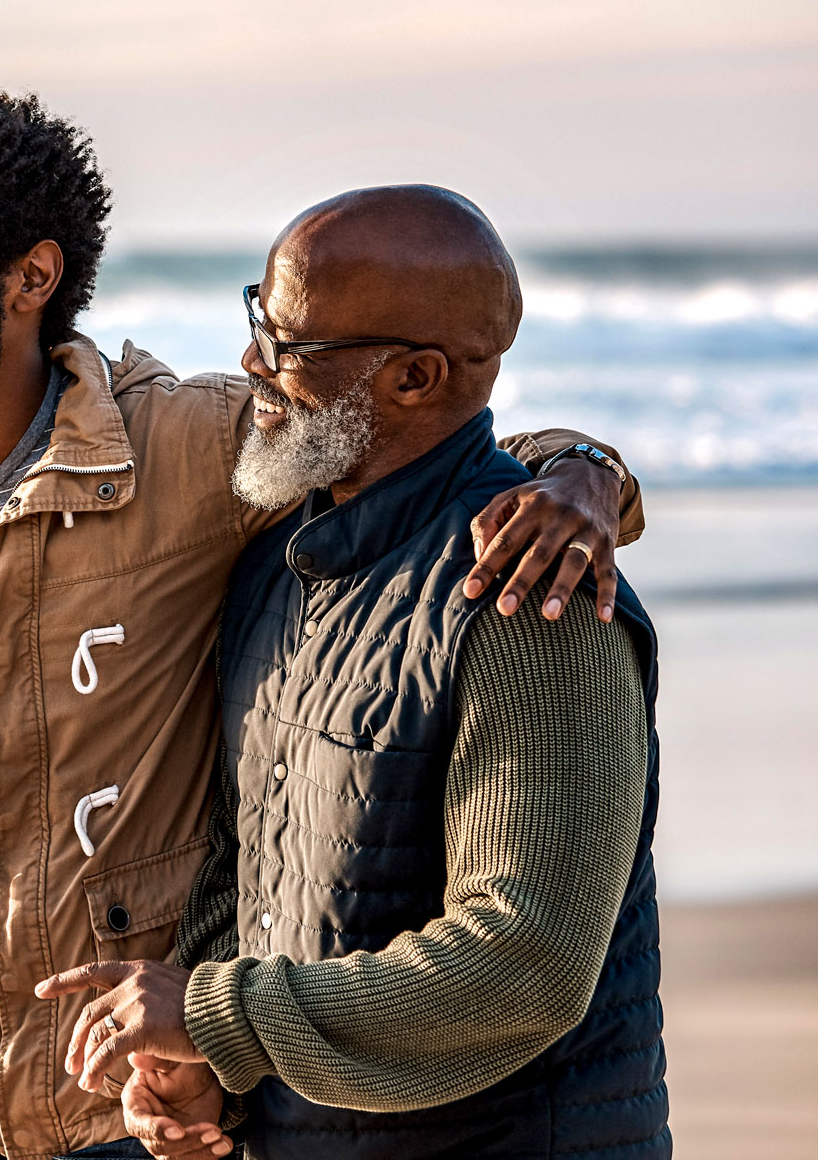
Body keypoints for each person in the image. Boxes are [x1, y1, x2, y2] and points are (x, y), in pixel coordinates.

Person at [0, 88, 644, 1160]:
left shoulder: (194, 455)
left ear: (30, 277)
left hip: (128, 1099)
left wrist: (584, 475)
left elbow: (430, 449)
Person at [37, 185, 667, 1159]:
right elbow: (240, 866)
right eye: (258, 315)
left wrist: (212, 1014)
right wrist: (207, 1073)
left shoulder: (531, 598)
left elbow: (523, 961)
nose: (252, 360)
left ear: (412, 377)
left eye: (288, 345)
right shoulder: (273, 564)